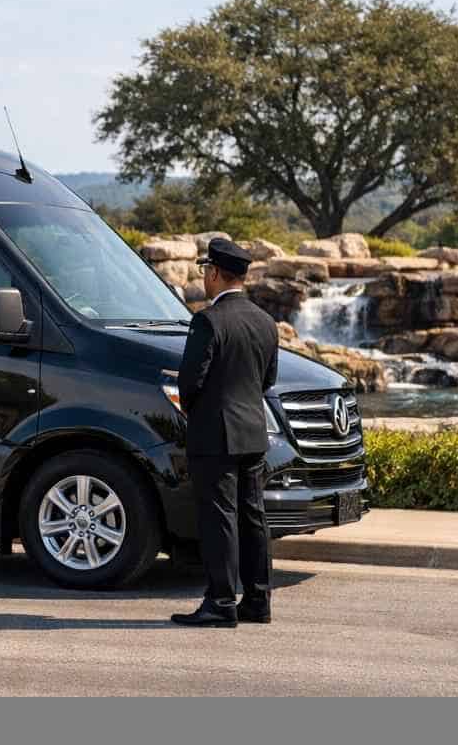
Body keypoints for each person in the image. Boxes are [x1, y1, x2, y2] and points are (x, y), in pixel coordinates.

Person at [170, 237, 279, 628]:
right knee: (253, 518)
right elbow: (268, 379)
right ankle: (257, 601)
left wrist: (193, 407)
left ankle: (219, 602)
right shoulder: (265, 321)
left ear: (214, 273)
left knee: (219, 519)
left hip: (215, 435)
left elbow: (189, 382)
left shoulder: (207, 320)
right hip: (252, 432)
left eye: (206, 271)